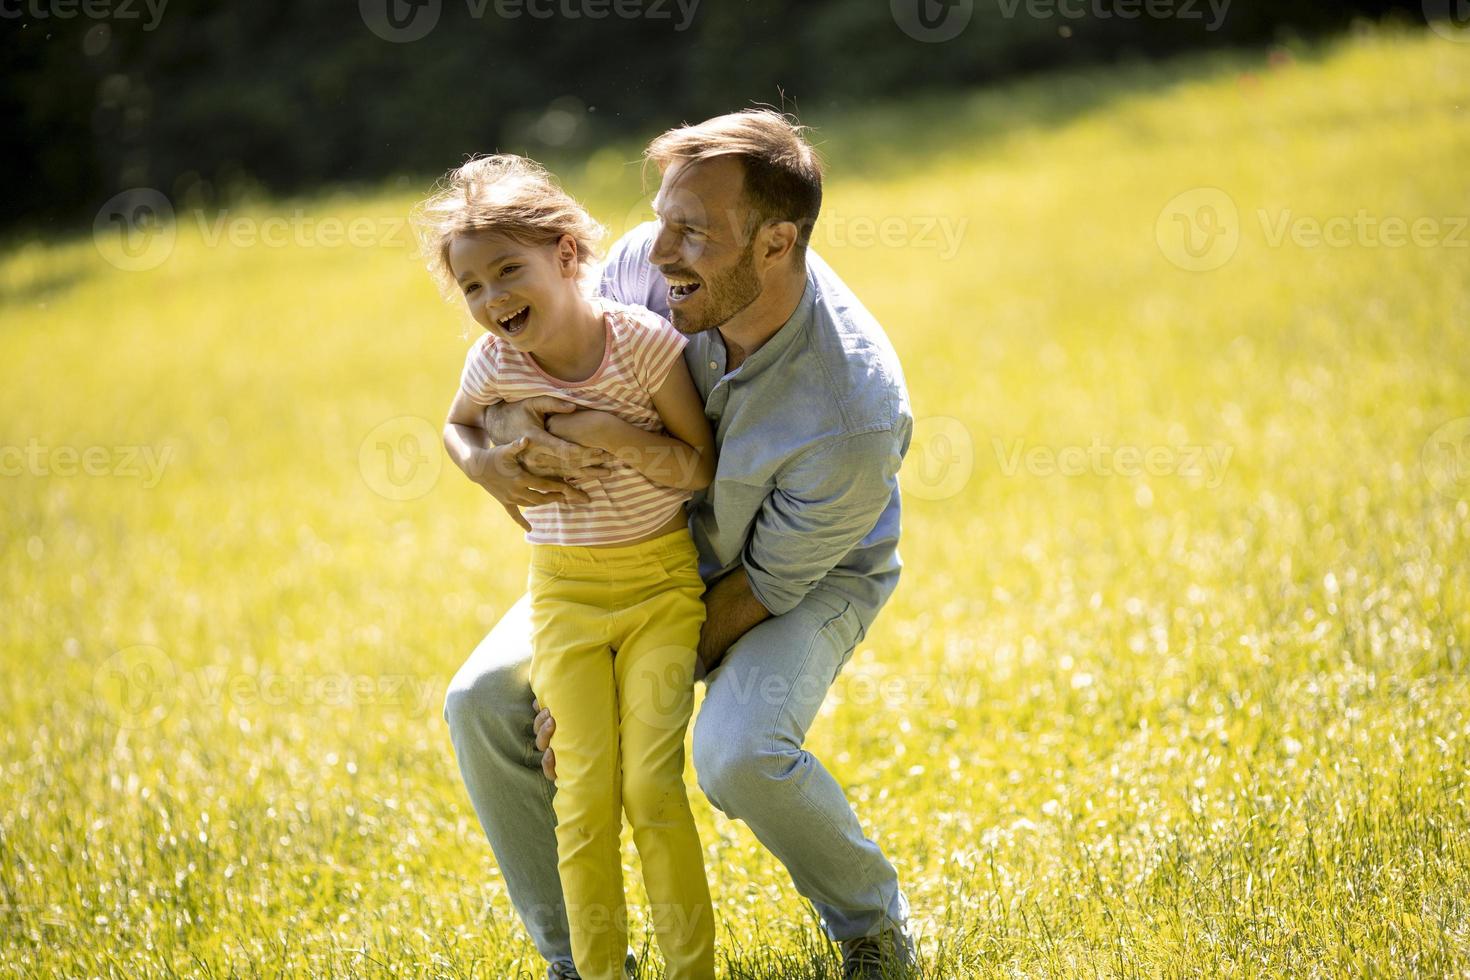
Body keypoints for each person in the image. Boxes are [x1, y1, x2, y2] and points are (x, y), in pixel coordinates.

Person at [444, 110, 917, 980]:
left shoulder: (853, 409)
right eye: (663, 217)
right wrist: (496, 458)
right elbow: (526, 381)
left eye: (692, 232)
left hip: (796, 579)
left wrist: (620, 692)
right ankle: (579, 962)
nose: (658, 254)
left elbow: (766, 583)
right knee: (478, 701)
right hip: (633, 548)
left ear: (775, 243)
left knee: (736, 753)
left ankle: (873, 929)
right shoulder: (637, 267)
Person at [420, 154, 717, 980]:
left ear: (565, 253)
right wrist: (484, 466)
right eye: (472, 286)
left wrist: (605, 432)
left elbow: (698, 467)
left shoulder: (646, 348)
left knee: (651, 792)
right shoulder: (494, 366)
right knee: (583, 802)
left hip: (662, 590)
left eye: (507, 271)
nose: (491, 300)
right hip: (565, 596)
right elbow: (457, 428)